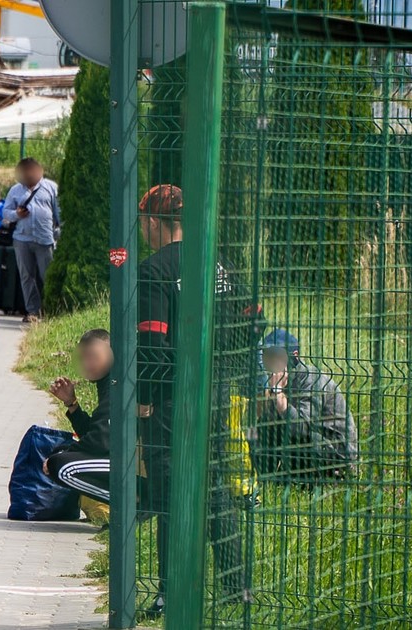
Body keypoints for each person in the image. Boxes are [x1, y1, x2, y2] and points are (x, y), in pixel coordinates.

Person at [135, 183, 250, 614]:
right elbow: (242, 326)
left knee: (169, 493)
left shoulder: (154, 270)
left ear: (152, 222)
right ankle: (236, 586)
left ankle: (172, 588)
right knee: (215, 486)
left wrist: (145, 398)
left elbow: (153, 345)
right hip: (215, 392)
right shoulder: (217, 264)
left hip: (170, 400)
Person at [254, 329, 358, 482]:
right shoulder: (279, 381)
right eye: (268, 355)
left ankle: (318, 480)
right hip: (311, 443)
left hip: (336, 452)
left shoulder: (311, 381)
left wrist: (277, 392)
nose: (271, 362)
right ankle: (263, 479)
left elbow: (301, 429)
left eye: (277, 356)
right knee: (262, 426)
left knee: (303, 436)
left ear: (293, 358)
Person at [45, 329, 113, 504]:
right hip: (116, 456)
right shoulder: (105, 382)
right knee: (58, 456)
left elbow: (99, 441)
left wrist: (66, 453)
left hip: (133, 463)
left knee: (61, 467)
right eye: (83, 358)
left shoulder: (116, 384)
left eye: (94, 357)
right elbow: (94, 433)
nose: (88, 363)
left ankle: (130, 507)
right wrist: (71, 403)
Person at [3, 157, 60, 322]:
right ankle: (33, 312)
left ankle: (51, 310)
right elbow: (6, 212)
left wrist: (58, 233)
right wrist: (17, 215)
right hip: (22, 239)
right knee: (27, 277)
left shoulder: (51, 188)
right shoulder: (15, 190)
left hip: (45, 239)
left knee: (47, 276)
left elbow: (59, 213)